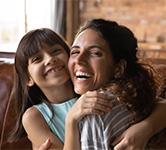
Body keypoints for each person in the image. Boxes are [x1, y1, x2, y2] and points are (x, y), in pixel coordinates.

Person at [66, 18, 166, 149]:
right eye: (75, 52)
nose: (79, 60)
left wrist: (70, 123)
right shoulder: (134, 99)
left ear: (118, 68)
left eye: (95, 53)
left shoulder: (98, 112)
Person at [8, 28, 113, 149]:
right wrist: (71, 121)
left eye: (56, 51)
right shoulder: (34, 117)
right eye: (37, 59)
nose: (50, 59)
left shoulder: (94, 87)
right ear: (28, 78)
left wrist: (140, 129)